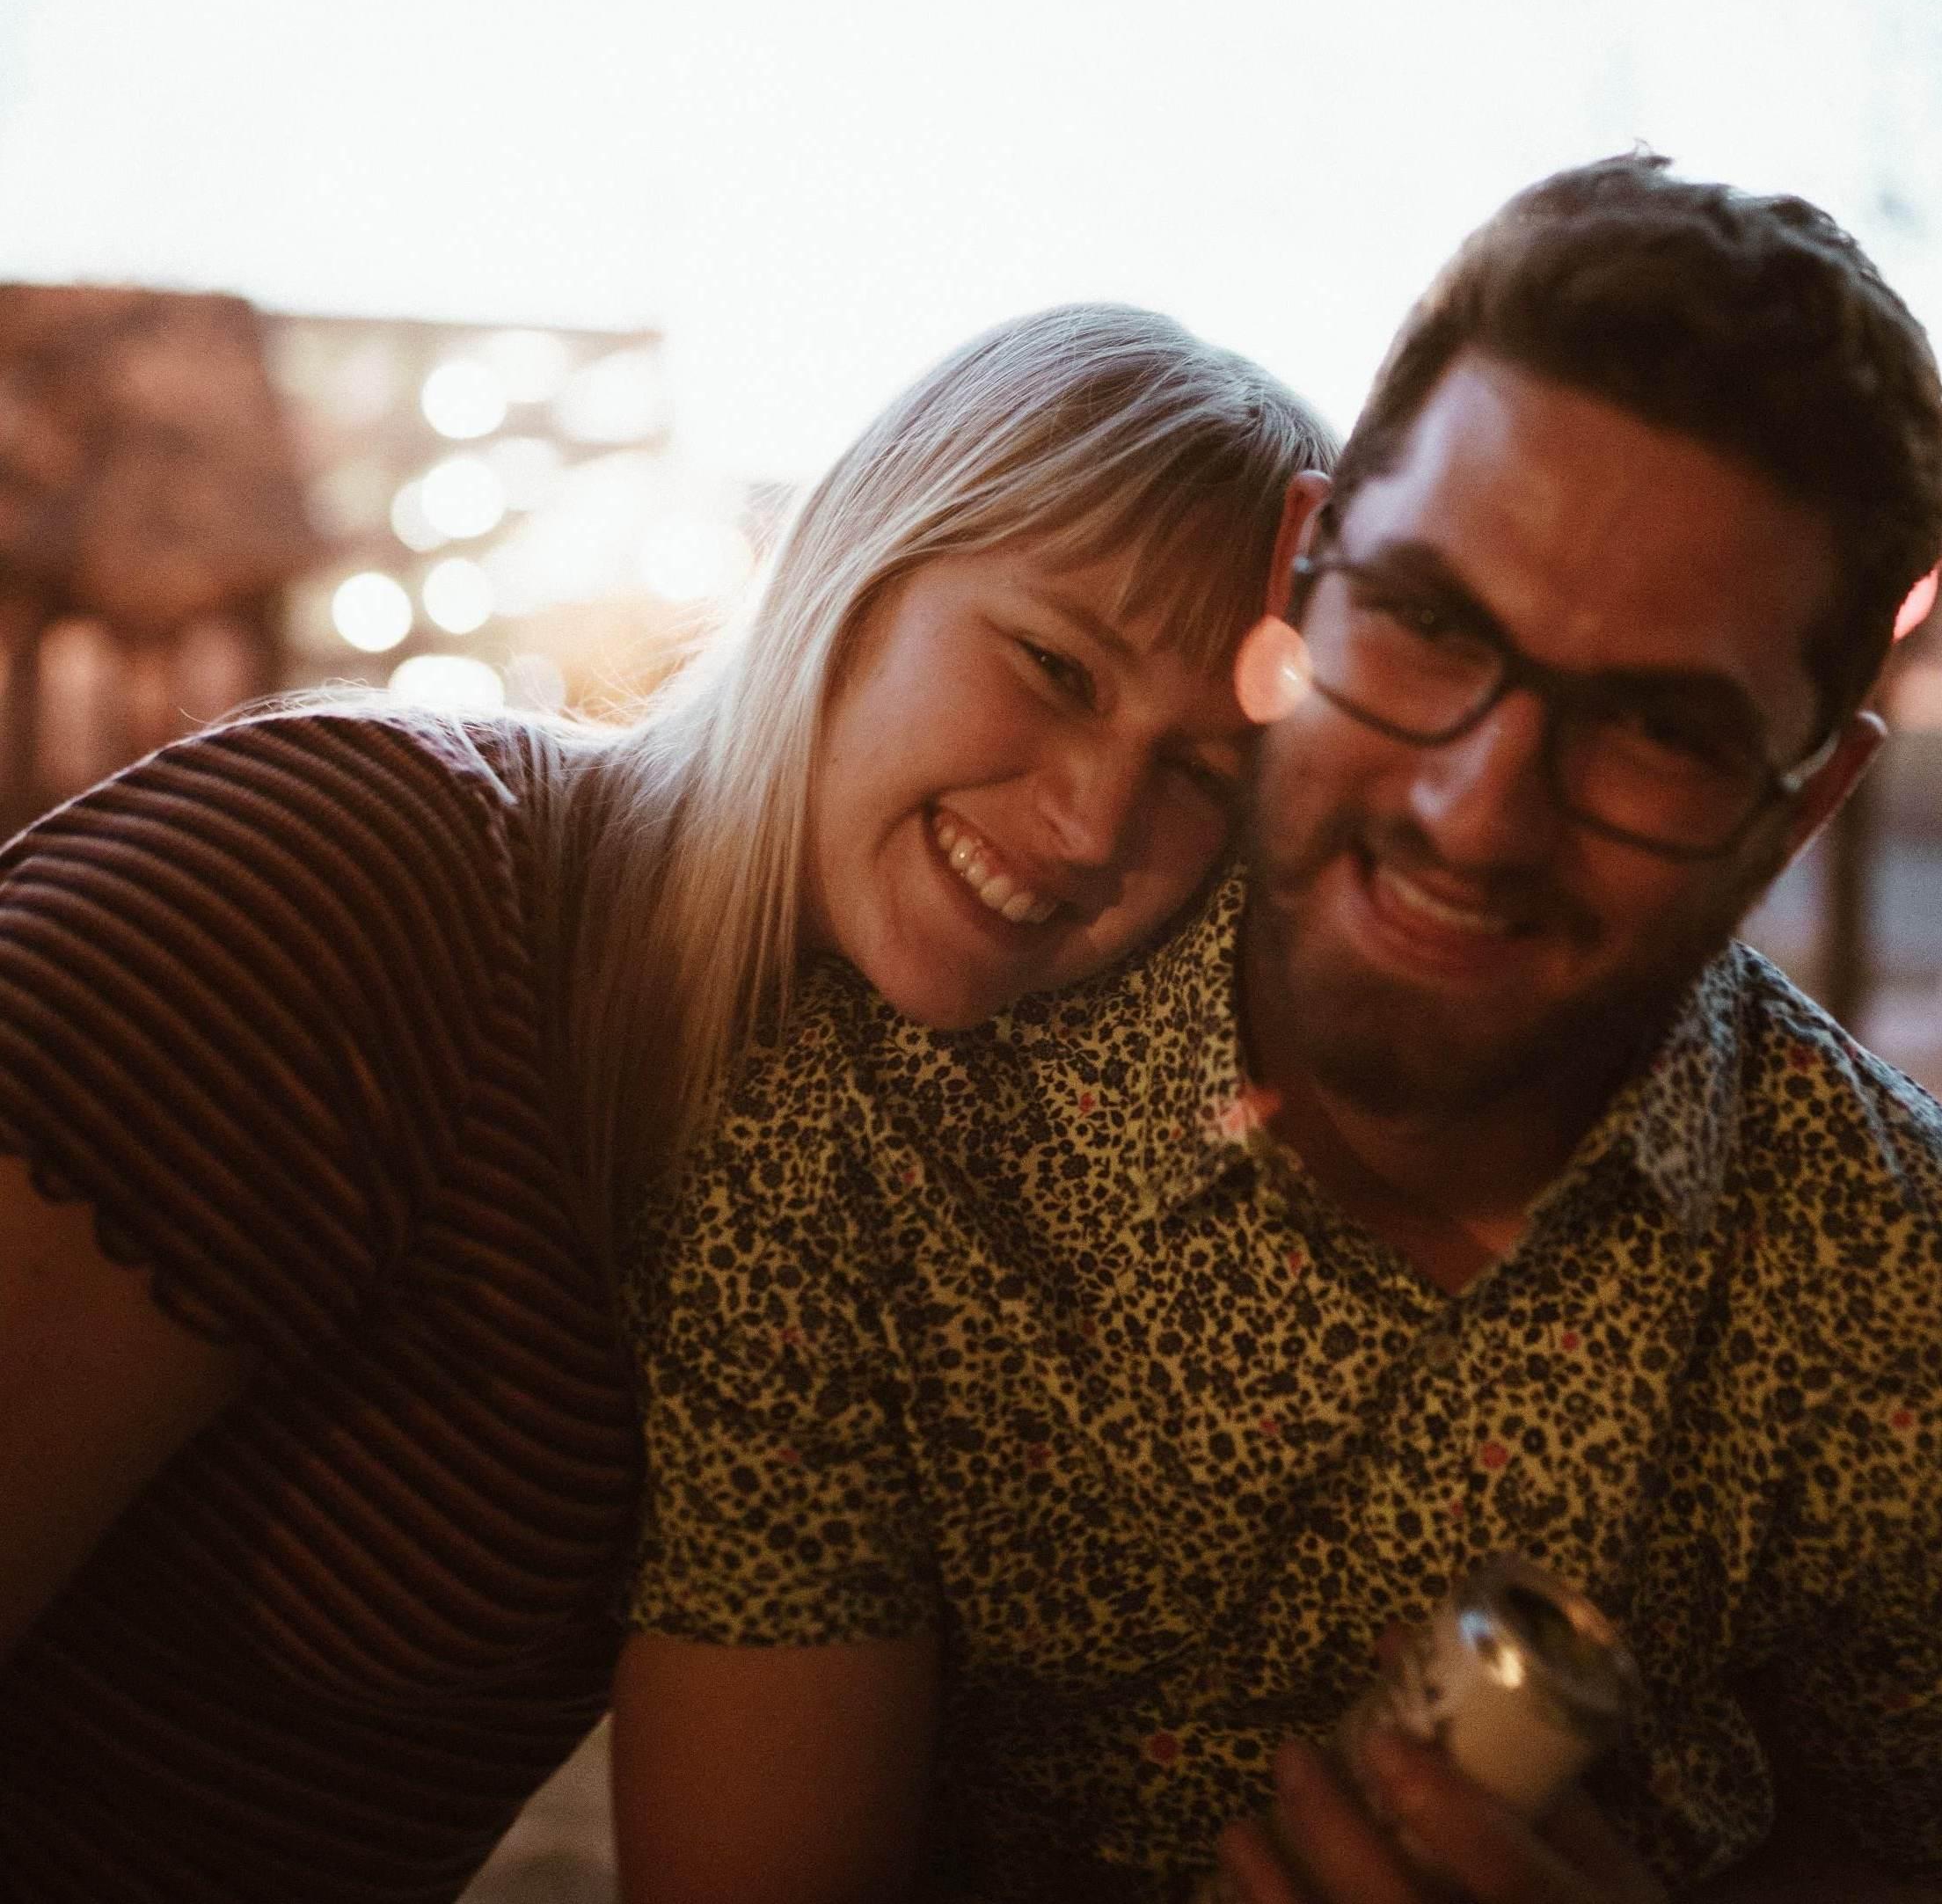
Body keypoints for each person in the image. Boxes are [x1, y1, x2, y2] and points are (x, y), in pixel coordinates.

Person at [617, 153, 1942, 1903]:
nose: (1479, 812)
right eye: (1429, 625)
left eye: (1654, 731)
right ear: (1312, 571)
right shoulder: (875, 1123)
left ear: (1800, 801)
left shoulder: (1889, 1283)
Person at [0, 303, 1335, 1901]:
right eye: (1055, 665)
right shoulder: (365, 887)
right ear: (857, 560)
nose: (1092, 819)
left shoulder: (890, 1172)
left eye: (1203, 775)